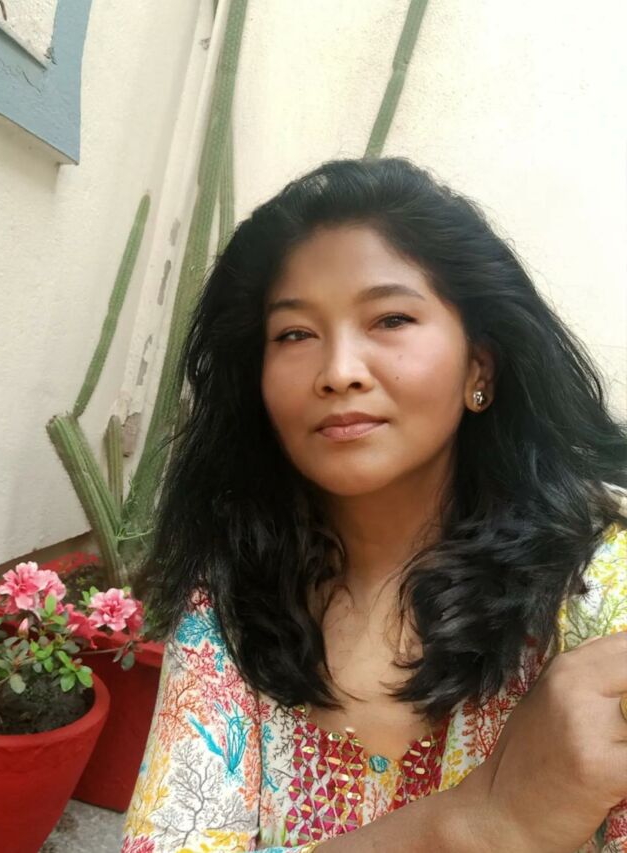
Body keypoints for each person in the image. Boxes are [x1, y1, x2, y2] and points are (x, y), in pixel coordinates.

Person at [121, 158, 627, 853]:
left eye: (390, 318)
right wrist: (481, 821)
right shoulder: (230, 598)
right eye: (294, 334)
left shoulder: (599, 583)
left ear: (479, 366)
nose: (338, 371)